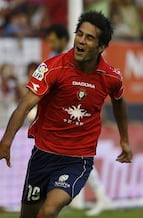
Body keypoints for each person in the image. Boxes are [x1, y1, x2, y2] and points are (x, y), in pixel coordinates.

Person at [0, 11, 133, 218]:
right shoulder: (52, 68)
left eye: (89, 38)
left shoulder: (111, 77)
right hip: (43, 154)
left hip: (77, 159)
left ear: (101, 47)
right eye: (79, 34)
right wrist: (6, 142)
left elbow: (119, 102)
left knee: (49, 210)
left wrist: (124, 139)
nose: (81, 40)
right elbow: (25, 106)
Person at [45, 23, 111, 216]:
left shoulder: (76, 58)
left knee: (78, 160)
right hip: (60, 121)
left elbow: (93, 91)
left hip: (73, 122)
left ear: (63, 39)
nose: (50, 43)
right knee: (75, 161)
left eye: (52, 40)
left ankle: (100, 196)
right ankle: (100, 197)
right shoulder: (55, 59)